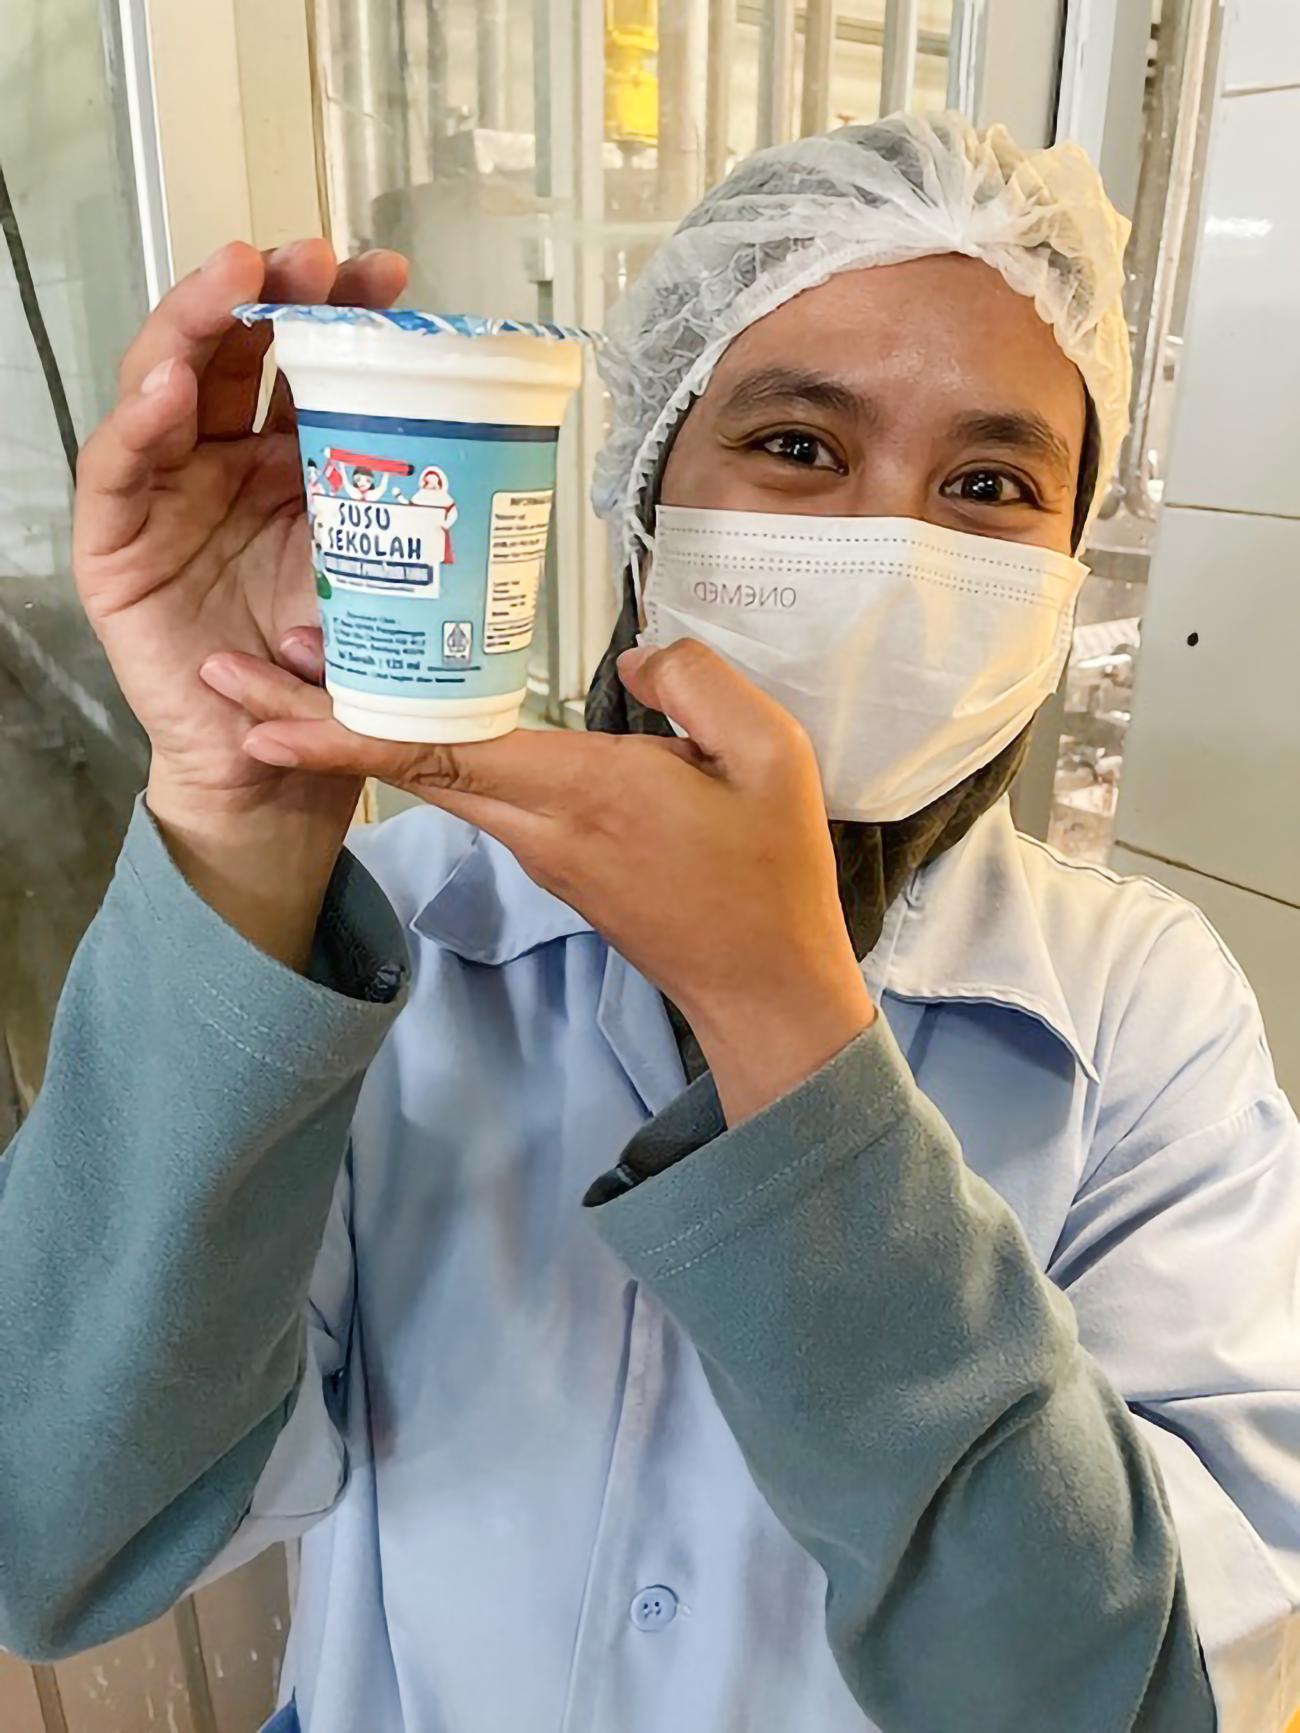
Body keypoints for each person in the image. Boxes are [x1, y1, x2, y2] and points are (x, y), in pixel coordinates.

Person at [1, 115, 1297, 1733]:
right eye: (801, 447)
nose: (884, 550)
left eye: (989, 483)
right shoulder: (402, 942)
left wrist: (788, 1029)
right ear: (644, 496)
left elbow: (1144, 1691)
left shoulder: (1142, 1015)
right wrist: (242, 814)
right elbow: (52, 1537)